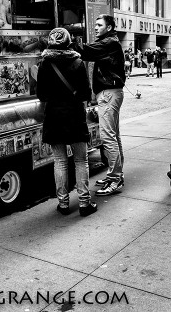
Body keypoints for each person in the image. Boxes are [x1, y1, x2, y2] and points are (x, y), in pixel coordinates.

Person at [36, 28, 97, 217]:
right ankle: (84, 204)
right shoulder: (78, 63)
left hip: (54, 117)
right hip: (75, 117)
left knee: (60, 161)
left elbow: (41, 95)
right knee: (81, 160)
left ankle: (63, 204)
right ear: (68, 42)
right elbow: (86, 94)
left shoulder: (44, 64)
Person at [73, 14, 126, 196]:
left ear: (109, 27)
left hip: (109, 93)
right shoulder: (110, 42)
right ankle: (116, 173)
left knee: (107, 136)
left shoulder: (109, 42)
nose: (95, 27)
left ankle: (115, 179)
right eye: (95, 24)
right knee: (114, 136)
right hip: (112, 93)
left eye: (99, 25)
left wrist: (68, 39)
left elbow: (85, 51)